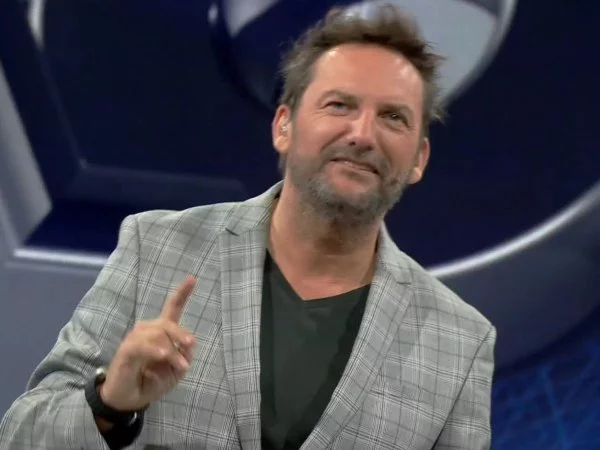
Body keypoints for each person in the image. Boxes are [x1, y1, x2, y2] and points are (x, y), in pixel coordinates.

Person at [0, 3, 496, 449]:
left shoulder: (460, 342)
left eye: (392, 117)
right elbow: (22, 436)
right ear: (284, 126)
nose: (362, 134)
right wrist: (109, 403)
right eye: (339, 105)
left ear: (418, 158)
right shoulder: (156, 247)